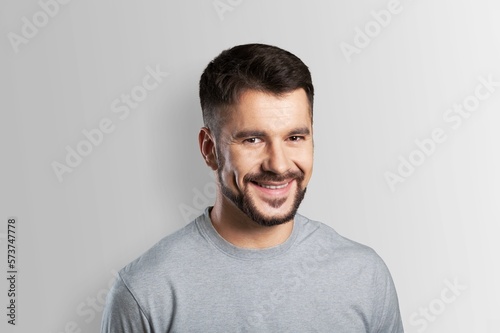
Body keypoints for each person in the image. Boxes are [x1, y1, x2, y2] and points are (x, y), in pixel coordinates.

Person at [101, 43, 404, 332]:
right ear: (209, 149)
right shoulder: (145, 292)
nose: (279, 165)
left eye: (295, 137)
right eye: (253, 140)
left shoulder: (364, 276)